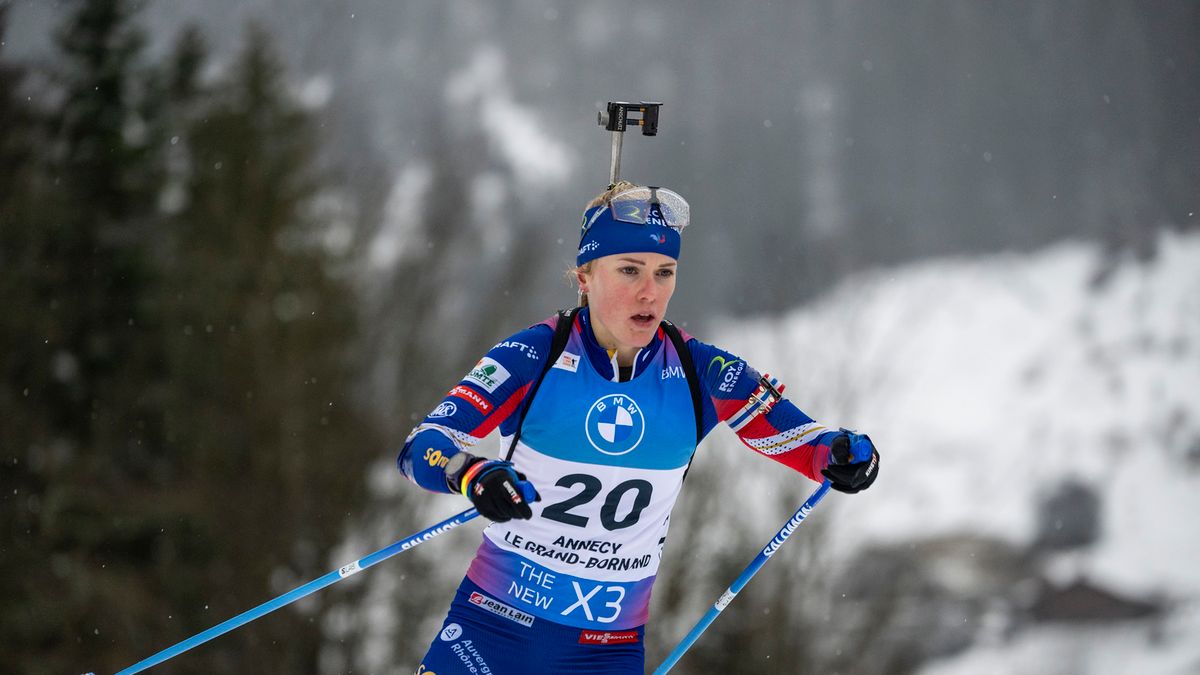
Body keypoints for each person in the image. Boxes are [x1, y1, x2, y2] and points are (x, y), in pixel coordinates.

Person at [397, 181, 880, 674]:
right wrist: (471, 473)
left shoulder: (702, 373)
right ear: (585, 275)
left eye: (664, 272)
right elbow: (423, 448)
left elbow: (807, 444)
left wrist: (845, 454)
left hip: (605, 649)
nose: (650, 291)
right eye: (629, 270)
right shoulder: (533, 356)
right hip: (491, 631)